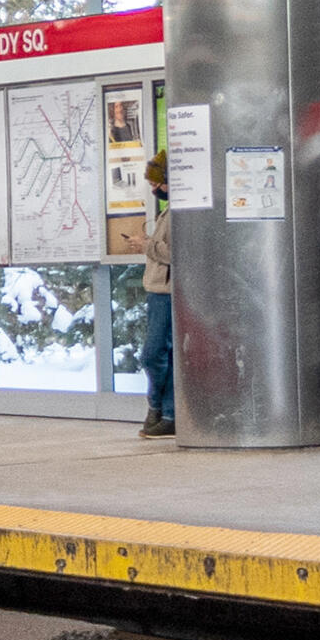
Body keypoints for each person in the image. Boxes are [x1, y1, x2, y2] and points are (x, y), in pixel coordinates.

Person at [122, 151, 174, 439]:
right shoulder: (168, 211)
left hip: (166, 291)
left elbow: (176, 253)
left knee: (154, 354)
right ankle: (162, 412)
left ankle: (161, 408)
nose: (155, 190)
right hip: (157, 290)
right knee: (160, 354)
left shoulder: (181, 211)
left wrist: (146, 244)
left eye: (159, 183)